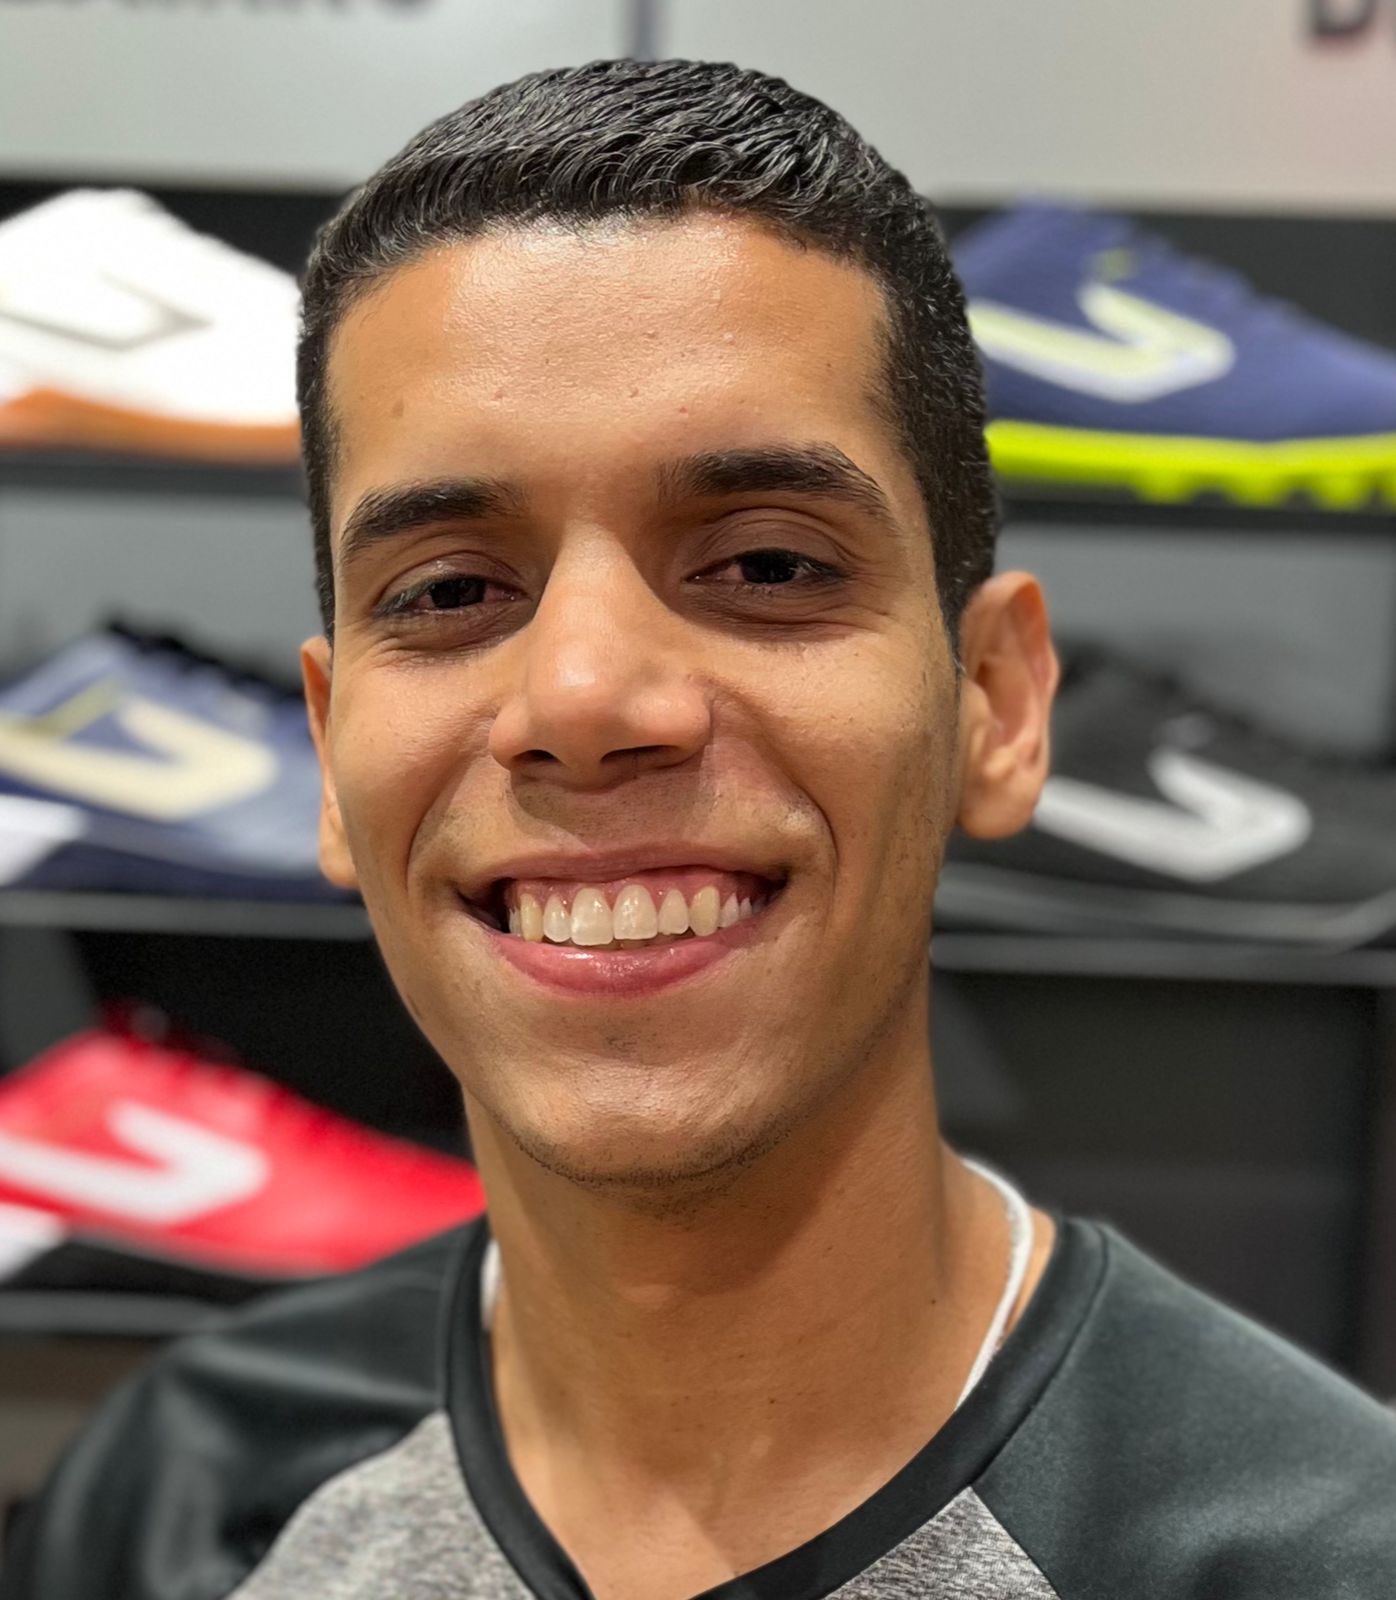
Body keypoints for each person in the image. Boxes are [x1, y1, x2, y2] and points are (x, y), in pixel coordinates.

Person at [5, 57, 1395, 1600]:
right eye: (450, 590)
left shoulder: (1326, 1559)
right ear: (331, 757)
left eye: (768, 567)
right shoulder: (183, 1491)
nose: (584, 698)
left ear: (996, 706)